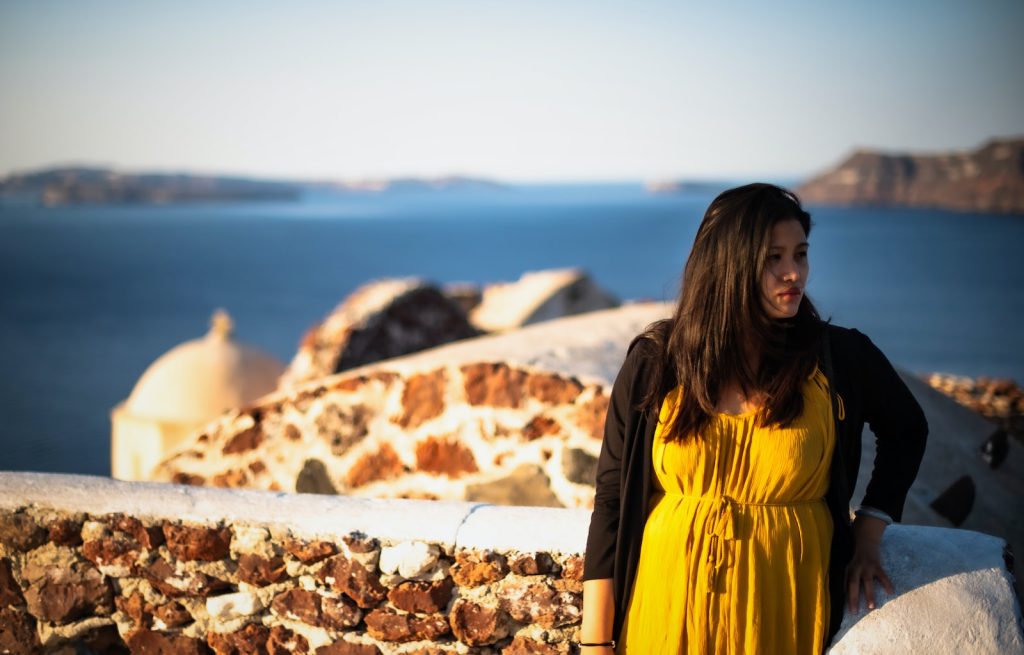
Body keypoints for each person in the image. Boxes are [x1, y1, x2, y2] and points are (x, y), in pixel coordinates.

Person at [578, 183, 928, 654]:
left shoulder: (838, 356)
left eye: (800, 255)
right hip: (665, 606)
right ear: (728, 265)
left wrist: (868, 536)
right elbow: (614, 497)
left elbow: (907, 430)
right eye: (773, 258)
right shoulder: (658, 361)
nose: (793, 274)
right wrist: (597, 641)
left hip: (782, 606)